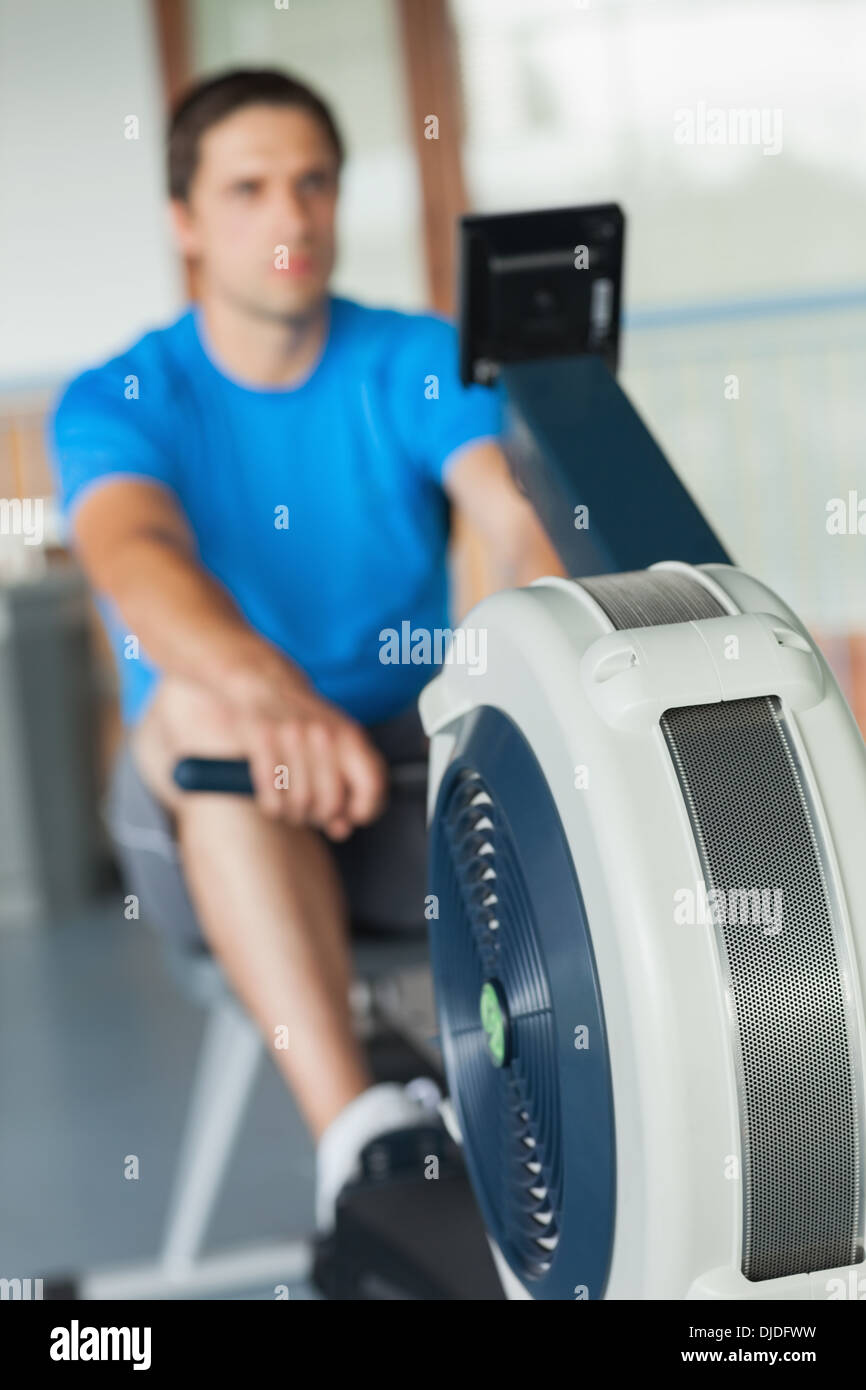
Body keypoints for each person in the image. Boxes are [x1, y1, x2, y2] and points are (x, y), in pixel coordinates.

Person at [48, 67, 566, 1232]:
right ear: (185, 221)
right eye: (249, 190)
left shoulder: (414, 357)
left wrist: (552, 634)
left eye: (313, 184)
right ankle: (362, 1147)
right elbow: (134, 558)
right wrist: (267, 689)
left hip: (398, 791)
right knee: (199, 714)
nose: (291, 217)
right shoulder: (121, 394)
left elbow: (510, 519)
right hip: (210, 803)